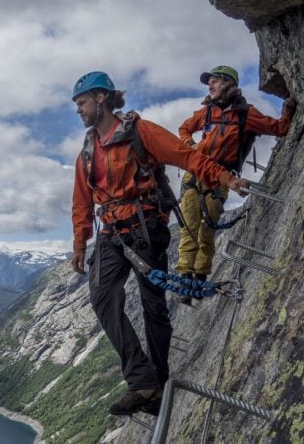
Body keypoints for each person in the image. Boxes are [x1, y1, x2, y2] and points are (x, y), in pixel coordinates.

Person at [70, 71, 249, 416]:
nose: (79, 110)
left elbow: (187, 157)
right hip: (111, 233)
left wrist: (225, 177)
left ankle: (158, 383)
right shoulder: (87, 153)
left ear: (101, 99)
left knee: (153, 308)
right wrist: (80, 243)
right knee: (102, 297)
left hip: (145, 227)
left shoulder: (141, 131)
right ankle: (143, 381)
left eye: (82, 103)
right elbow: (81, 201)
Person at [174, 66, 295, 305]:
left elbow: (279, 129)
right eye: (209, 83)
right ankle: (185, 285)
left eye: (214, 81)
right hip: (195, 176)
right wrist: (192, 146)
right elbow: (184, 128)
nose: (210, 86)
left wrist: (287, 108)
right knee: (188, 230)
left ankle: (198, 280)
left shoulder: (245, 114)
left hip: (220, 180)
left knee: (206, 231)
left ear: (228, 84)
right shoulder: (207, 112)